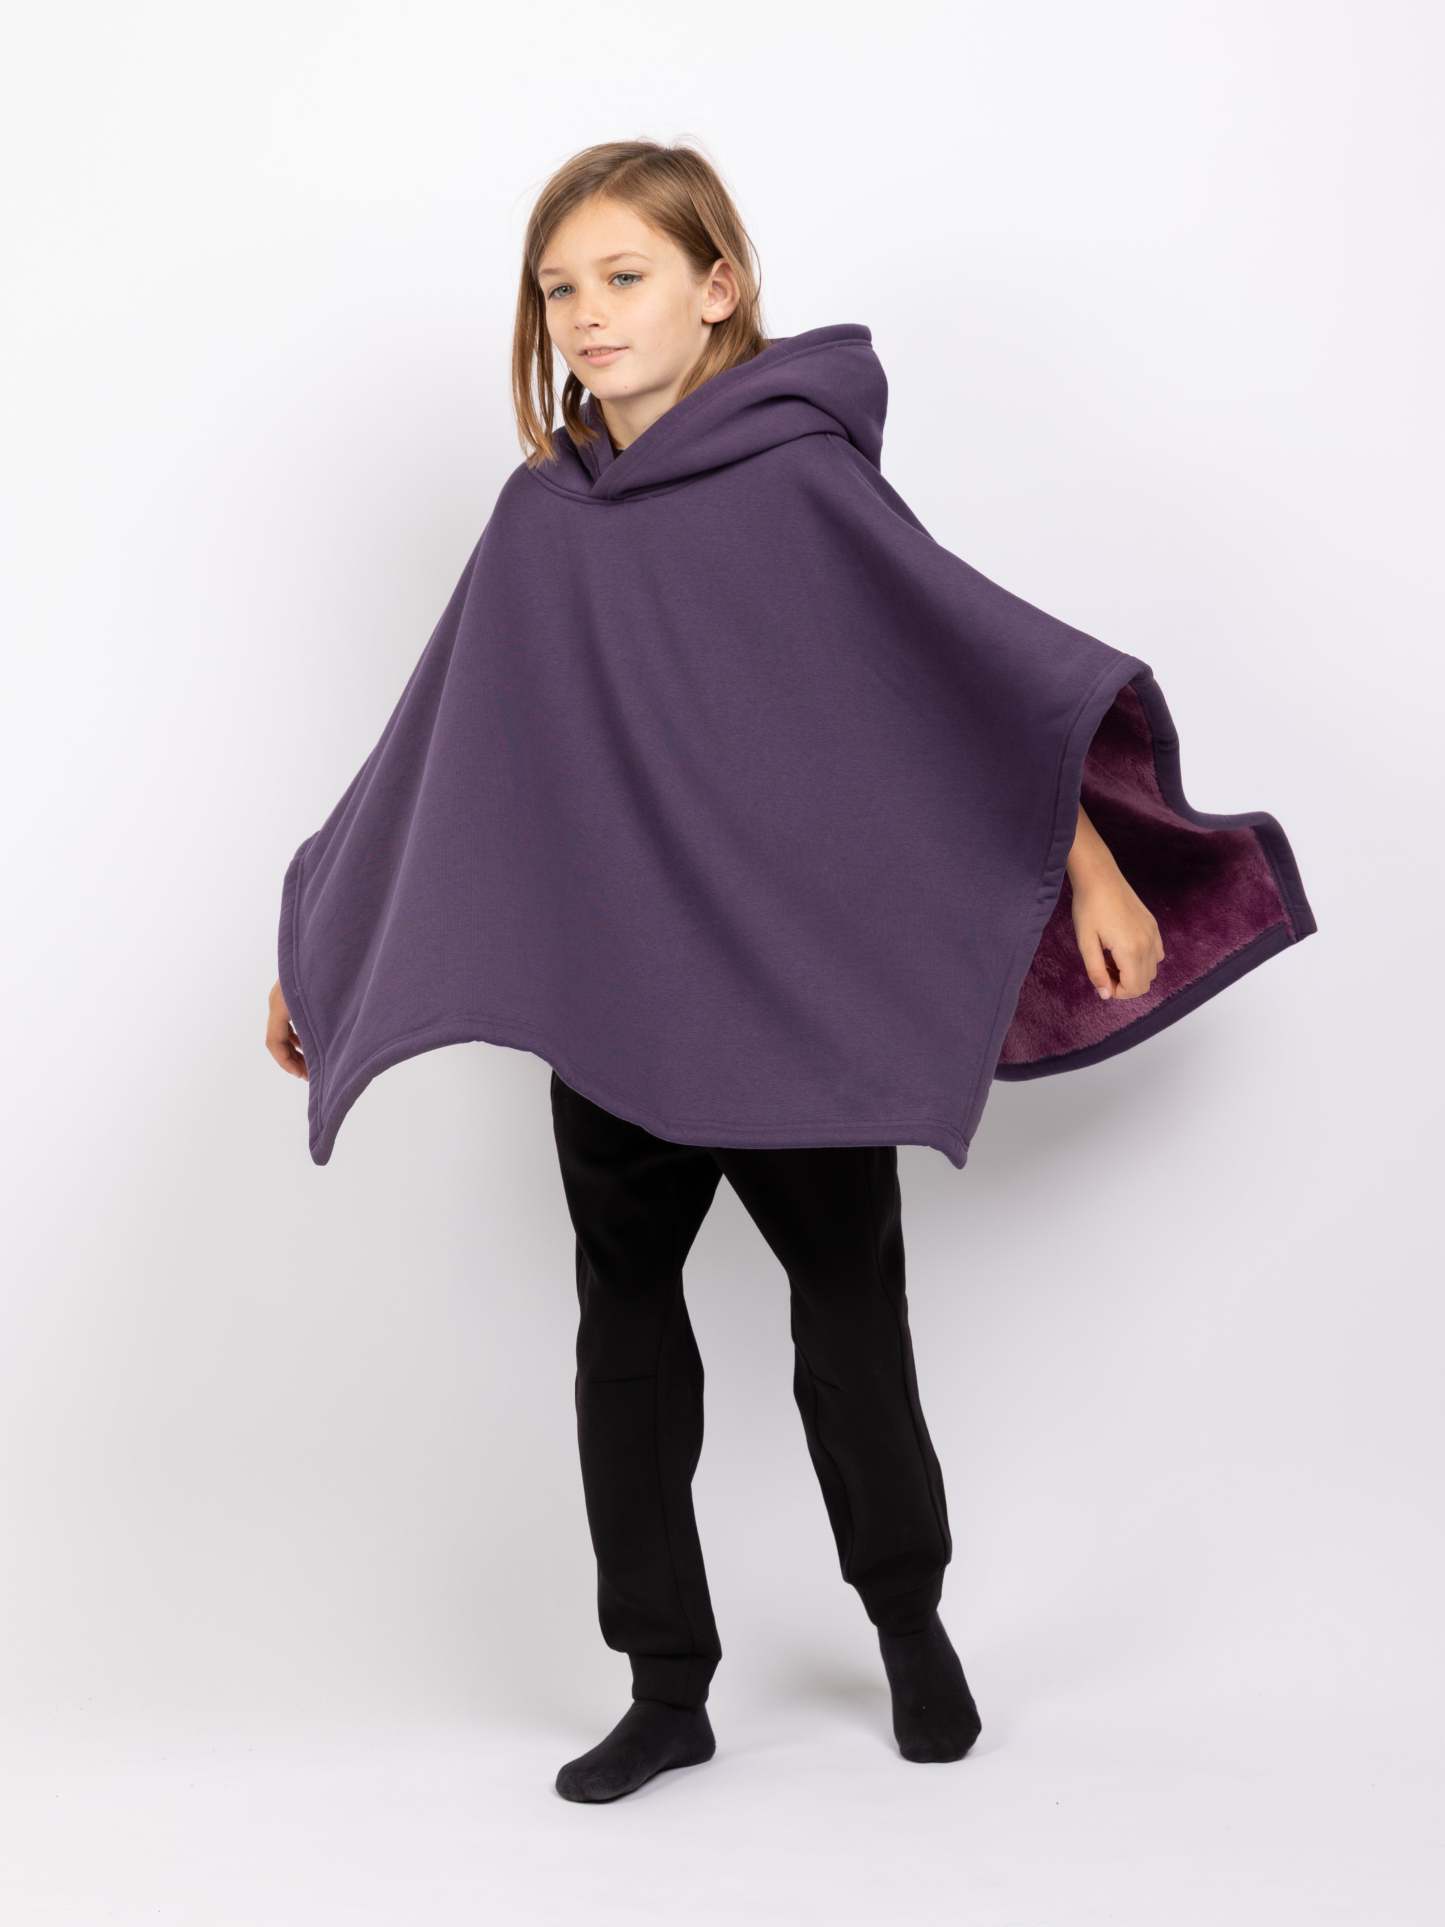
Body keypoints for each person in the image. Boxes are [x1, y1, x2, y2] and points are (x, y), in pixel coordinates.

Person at [266, 140, 1311, 1803]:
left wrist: (1092, 865)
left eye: (623, 277)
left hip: (785, 990)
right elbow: (437, 739)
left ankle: (908, 1626)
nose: (586, 315)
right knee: (625, 1336)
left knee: (848, 1319)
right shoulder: (543, 518)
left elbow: (954, 676)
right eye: (558, 287)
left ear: (716, 286)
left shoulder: (797, 480)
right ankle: (663, 1686)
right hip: (612, 995)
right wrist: (324, 942)